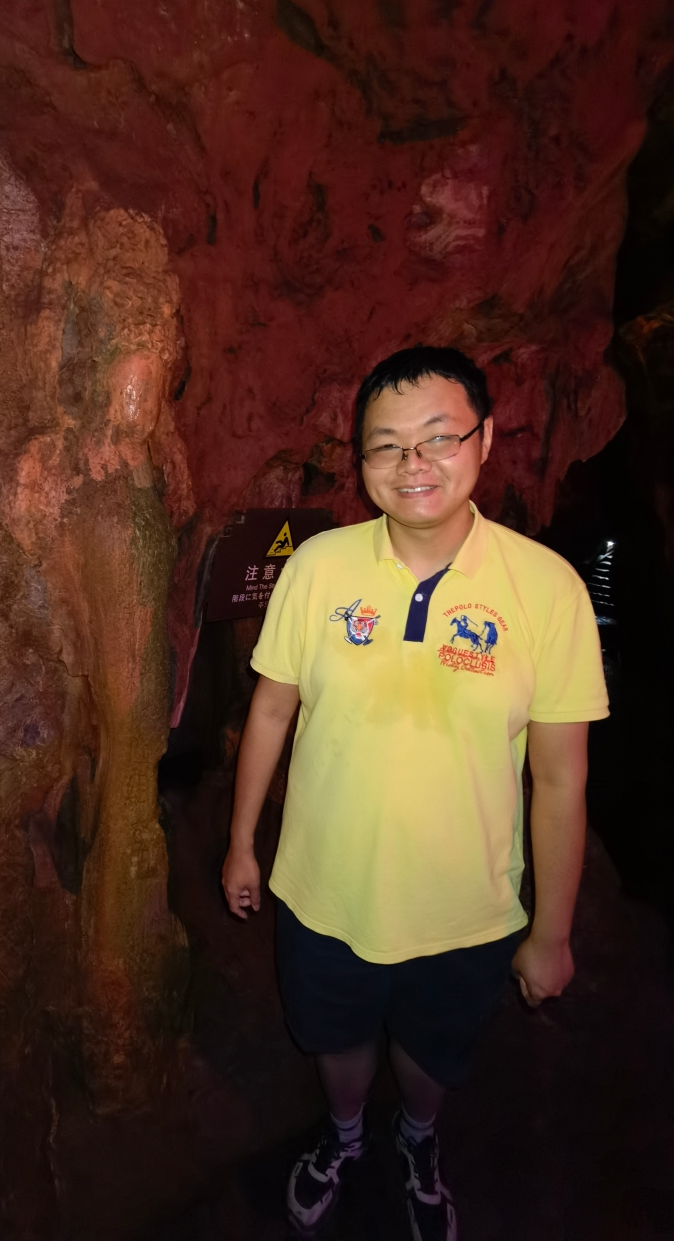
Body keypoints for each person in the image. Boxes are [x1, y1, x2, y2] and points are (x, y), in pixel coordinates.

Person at [221, 346, 608, 1240]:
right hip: (324, 888)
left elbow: (560, 775)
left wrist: (550, 933)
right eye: (387, 445)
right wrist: (242, 844)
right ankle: (346, 1133)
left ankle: (418, 1139)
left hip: (466, 905)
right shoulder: (319, 568)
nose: (413, 464)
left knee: (434, 1050)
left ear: (486, 440)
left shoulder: (545, 590)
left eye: (438, 438)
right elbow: (272, 710)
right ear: (361, 460)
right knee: (337, 1037)